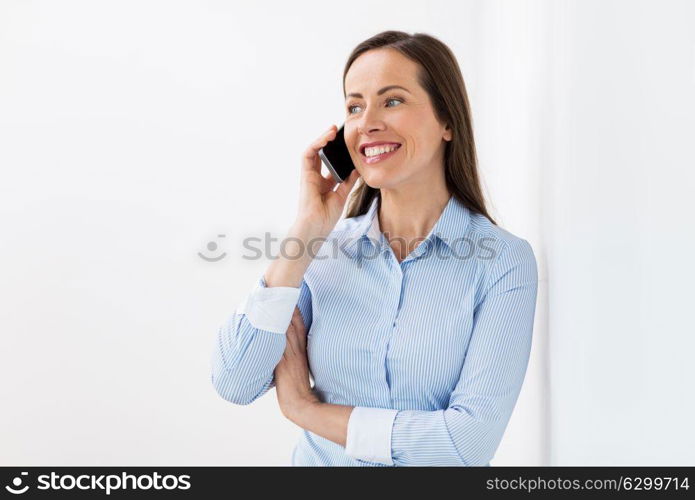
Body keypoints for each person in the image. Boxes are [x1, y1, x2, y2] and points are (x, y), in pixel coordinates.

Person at [211, 30, 538, 466]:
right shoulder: (322, 252)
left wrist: (306, 411)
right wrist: (306, 232)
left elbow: (465, 445)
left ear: (448, 121)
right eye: (354, 106)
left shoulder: (502, 263)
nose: (367, 123)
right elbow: (235, 381)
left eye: (393, 100)